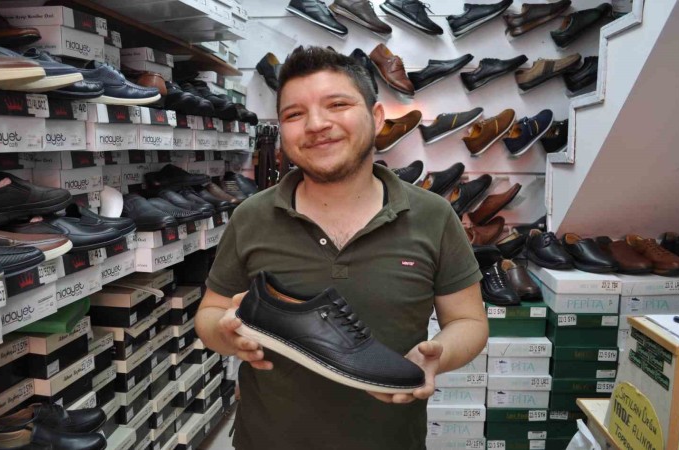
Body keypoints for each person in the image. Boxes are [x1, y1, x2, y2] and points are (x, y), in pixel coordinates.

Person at [195, 46, 488, 450]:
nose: (316, 124)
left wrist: (439, 355)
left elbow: (470, 321)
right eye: (294, 114)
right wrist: (227, 334)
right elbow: (210, 313)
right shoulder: (251, 217)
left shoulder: (433, 215)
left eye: (337, 104)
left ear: (377, 116)